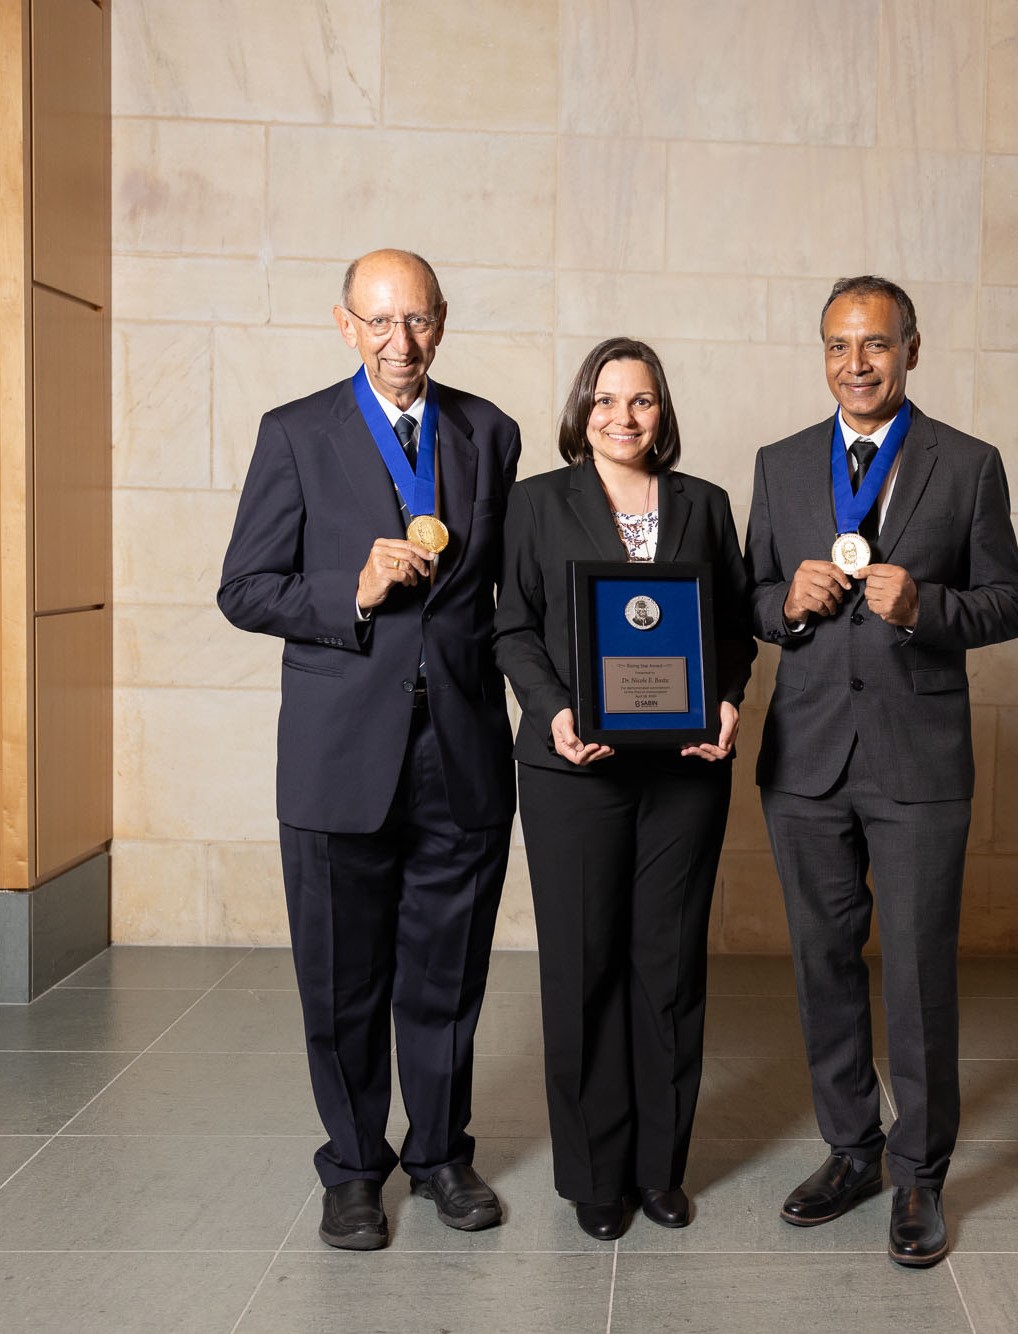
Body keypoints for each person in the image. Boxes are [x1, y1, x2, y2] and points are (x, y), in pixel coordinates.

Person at [218, 249, 519, 1250]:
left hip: (463, 744)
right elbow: (245, 586)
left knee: (447, 972)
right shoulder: (294, 434)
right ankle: (353, 1167)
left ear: (443, 321)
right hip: (339, 750)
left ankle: (439, 1151)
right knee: (342, 976)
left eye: (419, 321)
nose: (402, 343)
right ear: (345, 325)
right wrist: (347, 588)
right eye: (380, 322)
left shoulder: (489, 432)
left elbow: (510, 595)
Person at [744, 276, 1018, 1267]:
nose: (853, 362)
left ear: (911, 347)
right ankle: (850, 1147)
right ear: (821, 353)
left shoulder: (967, 464)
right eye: (836, 345)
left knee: (913, 974)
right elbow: (749, 598)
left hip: (918, 764)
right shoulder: (779, 466)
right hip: (806, 759)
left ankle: (918, 1171)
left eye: (873, 344)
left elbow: (1009, 604)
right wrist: (782, 601)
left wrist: (924, 608)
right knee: (824, 963)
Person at [494, 337, 755, 1241]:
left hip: (683, 775)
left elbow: (734, 630)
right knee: (583, 968)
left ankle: (660, 1169)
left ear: (663, 411)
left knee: (669, 970)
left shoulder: (706, 506)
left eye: (641, 401)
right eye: (606, 400)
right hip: (573, 769)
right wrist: (557, 707)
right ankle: (594, 1175)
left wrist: (725, 697)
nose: (623, 417)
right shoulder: (535, 503)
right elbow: (513, 628)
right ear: (581, 409)